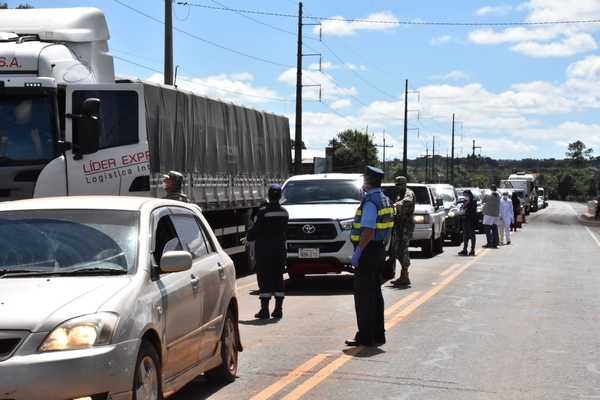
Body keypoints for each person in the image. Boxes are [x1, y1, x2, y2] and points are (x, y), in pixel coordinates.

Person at [345, 166, 394, 347]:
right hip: (379, 249)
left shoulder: (371, 201)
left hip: (368, 250)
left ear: (367, 181)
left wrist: (358, 253)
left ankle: (365, 336)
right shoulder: (384, 199)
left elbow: (367, 230)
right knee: (375, 293)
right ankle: (378, 334)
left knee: (364, 295)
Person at [247, 184, 289, 319]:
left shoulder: (263, 212)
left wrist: (249, 235)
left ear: (269, 195)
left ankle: (264, 310)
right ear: (280, 196)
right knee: (278, 277)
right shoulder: (284, 212)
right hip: (280, 249)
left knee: (264, 277)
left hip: (264, 250)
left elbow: (255, 229)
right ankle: (278, 310)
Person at [390, 176, 415, 287]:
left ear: (405, 184)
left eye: (399, 184)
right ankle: (403, 275)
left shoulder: (408, 193)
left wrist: (395, 204)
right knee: (396, 249)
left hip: (406, 225)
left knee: (403, 248)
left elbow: (407, 202)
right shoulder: (399, 194)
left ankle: (405, 276)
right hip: (399, 225)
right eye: (396, 185)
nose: (398, 187)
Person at [458, 190, 477, 256]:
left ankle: (472, 250)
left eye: (465, 195)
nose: (464, 196)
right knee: (465, 235)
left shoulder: (473, 201)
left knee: (472, 235)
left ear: (469, 194)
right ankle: (465, 249)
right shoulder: (465, 201)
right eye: (464, 195)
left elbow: (472, 211)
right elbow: (462, 208)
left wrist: (465, 210)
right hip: (465, 219)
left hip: (470, 220)